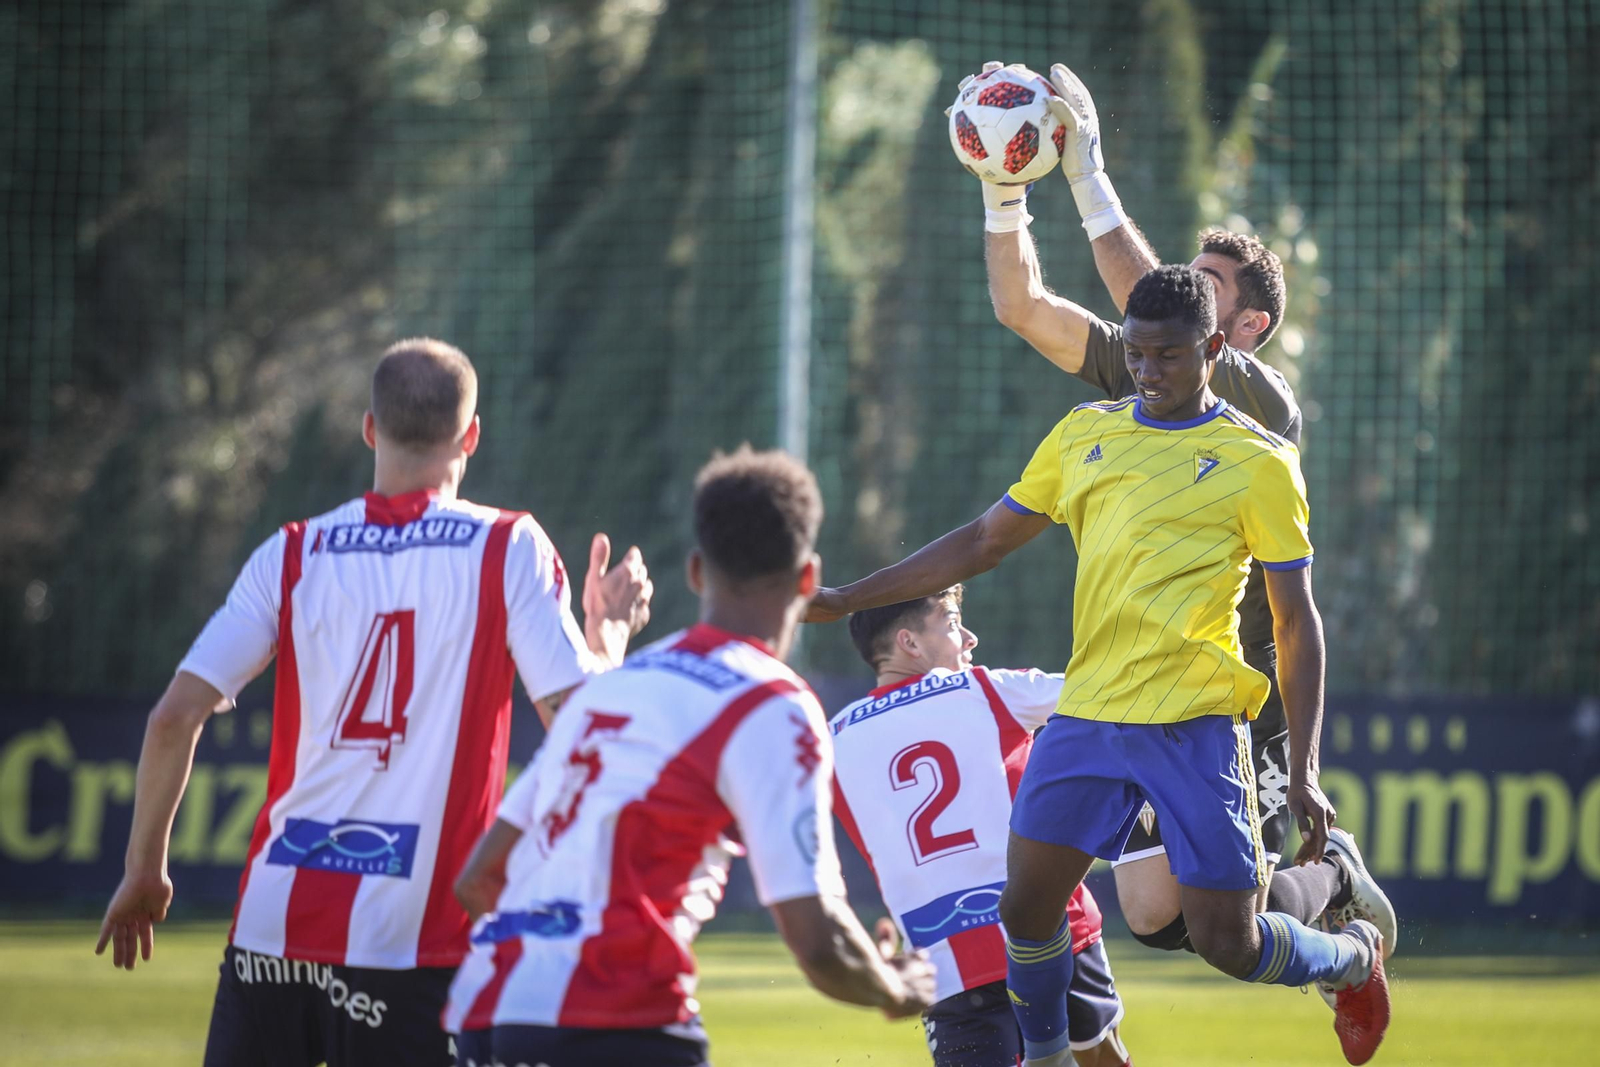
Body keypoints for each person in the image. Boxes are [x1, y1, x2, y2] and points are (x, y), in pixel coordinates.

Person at [808, 267, 1390, 1066]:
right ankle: (1048, 1058)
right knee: (1027, 910)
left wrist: (1305, 770)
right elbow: (982, 541)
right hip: (1089, 720)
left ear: (1213, 348)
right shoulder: (1086, 433)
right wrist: (845, 597)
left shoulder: (1257, 462)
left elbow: (1297, 624)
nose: (1148, 372)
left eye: (1169, 356)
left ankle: (1355, 953)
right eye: (1137, 354)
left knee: (1228, 939)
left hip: (1194, 726)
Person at [94, 338, 654, 1067]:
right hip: (416, 942)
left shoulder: (293, 552)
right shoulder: (506, 546)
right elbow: (582, 733)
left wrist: (145, 869)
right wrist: (608, 639)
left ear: (369, 428)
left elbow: (173, 716)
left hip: (272, 931)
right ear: (472, 436)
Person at [967, 59, 1396, 965]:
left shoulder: (1266, 406)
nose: (1173, 288)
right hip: (1140, 696)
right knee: (1156, 919)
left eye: (1203, 285)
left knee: (1219, 931)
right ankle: (1328, 895)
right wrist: (1004, 194)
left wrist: (1088, 174)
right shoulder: (1146, 370)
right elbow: (1021, 305)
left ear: (1237, 331)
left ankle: (1336, 886)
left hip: (1233, 707)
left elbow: (1139, 289)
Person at [441, 446, 937, 1067]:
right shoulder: (772, 701)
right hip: (617, 1025)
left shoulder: (608, 691)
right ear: (808, 580)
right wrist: (897, 988)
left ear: (697, 572)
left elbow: (478, 879)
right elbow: (815, 937)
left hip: (491, 1013)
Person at [831, 587, 1131, 1067]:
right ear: (908, 643)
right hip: (1055, 935)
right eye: (951, 623)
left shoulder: (834, 737)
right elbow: (1117, 694)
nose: (970, 637)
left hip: (945, 967)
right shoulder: (987, 689)